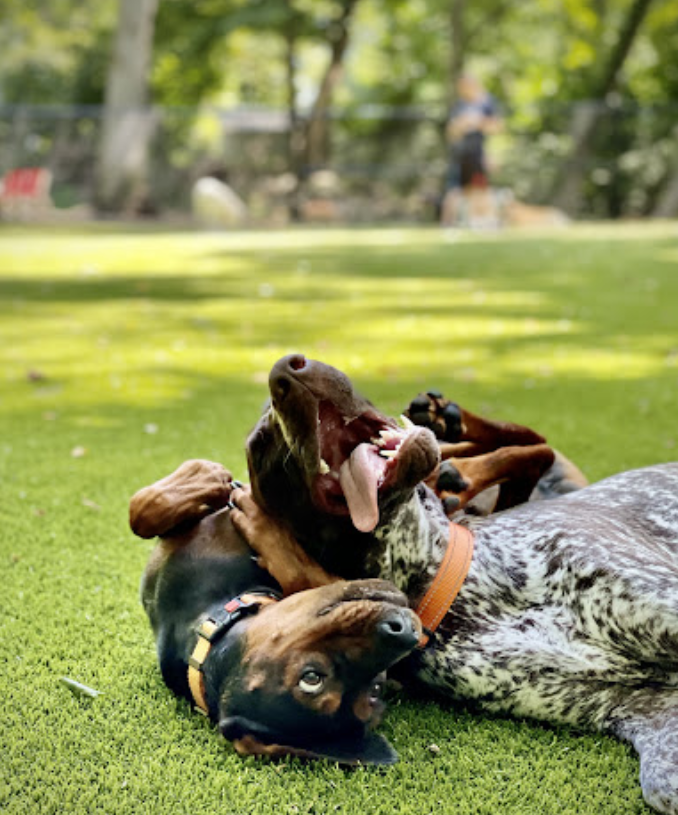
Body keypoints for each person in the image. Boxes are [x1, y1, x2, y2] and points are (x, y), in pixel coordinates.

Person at [441, 74, 502, 227]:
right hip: (460, 155)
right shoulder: (459, 105)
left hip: (478, 154)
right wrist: (460, 125)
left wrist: (478, 122)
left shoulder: (487, 103)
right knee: (454, 190)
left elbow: (497, 127)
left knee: (480, 188)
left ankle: (485, 222)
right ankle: (448, 225)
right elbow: (450, 132)